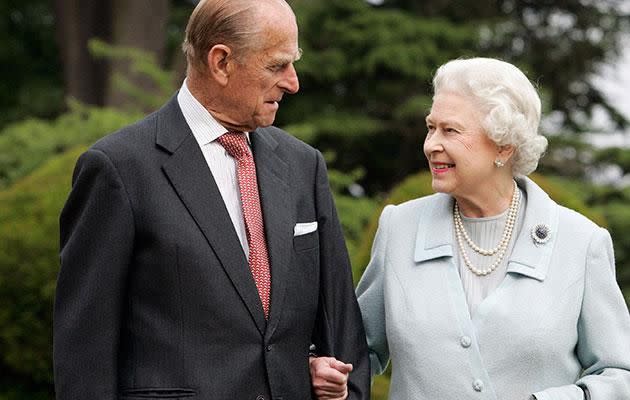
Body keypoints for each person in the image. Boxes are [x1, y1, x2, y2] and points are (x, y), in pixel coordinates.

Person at [53, 0, 370, 399]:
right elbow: (84, 355)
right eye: (277, 65)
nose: (293, 82)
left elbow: (342, 332)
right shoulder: (118, 168)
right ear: (221, 62)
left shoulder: (304, 166)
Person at [311, 57, 630, 399]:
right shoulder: (399, 228)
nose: (431, 144)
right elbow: (356, 351)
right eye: (431, 127)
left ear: (504, 146)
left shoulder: (580, 243)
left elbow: (618, 374)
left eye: (450, 130)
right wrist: (323, 368)